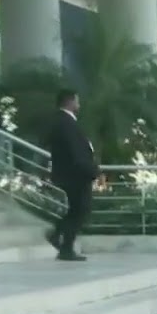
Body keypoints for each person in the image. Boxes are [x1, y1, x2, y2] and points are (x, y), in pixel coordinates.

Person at [45, 89, 100, 262]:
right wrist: (92, 171)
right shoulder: (65, 123)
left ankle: (60, 238)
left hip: (70, 174)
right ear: (69, 102)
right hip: (75, 175)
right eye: (77, 100)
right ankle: (63, 243)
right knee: (80, 210)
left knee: (76, 210)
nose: (79, 104)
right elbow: (76, 152)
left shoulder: (62, 121)